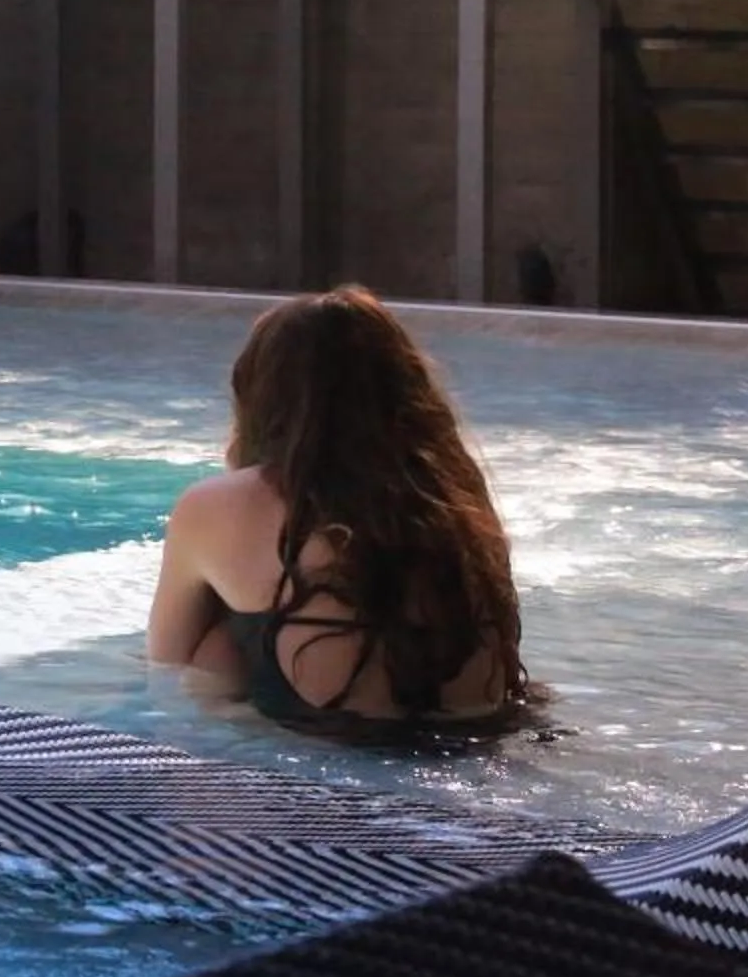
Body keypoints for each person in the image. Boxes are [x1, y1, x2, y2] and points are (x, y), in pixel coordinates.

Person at [147, 285, 537, 734]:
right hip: (477, 738)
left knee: (215, 646)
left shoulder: (217, 504)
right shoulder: (455, 497)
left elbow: (165, 668)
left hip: (323, 747)